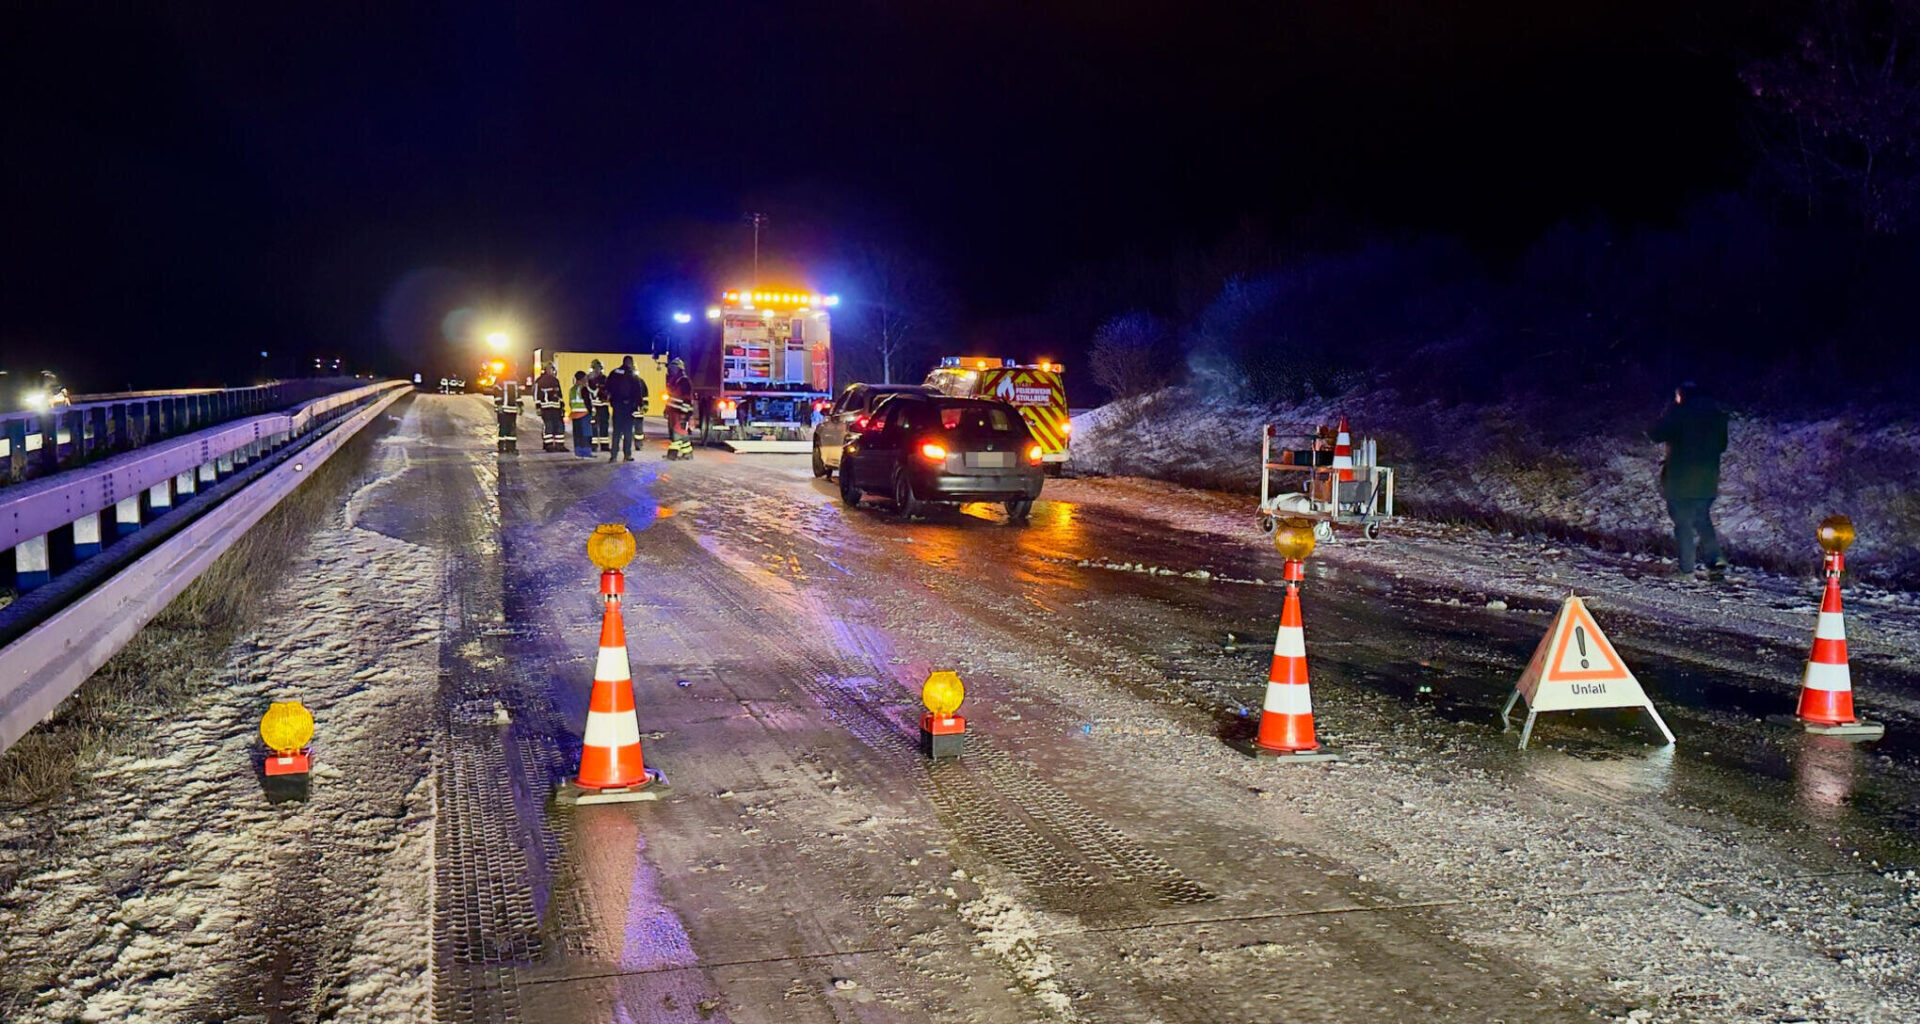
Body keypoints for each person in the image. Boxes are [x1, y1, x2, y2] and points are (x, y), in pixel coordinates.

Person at [1650, 381, 1730, 580]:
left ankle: (1686, 569)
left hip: (1680, 480)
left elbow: (1656, 434)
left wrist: (1670, 411)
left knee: (1683, 524)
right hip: (1707, 480)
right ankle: (1714, 559)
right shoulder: (1717, 416)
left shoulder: (1679, 413)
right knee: (1702, 519)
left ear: (1683, 395)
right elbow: (1722, 446)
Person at [603, 355, 647, 462]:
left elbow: (607, 388)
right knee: (628, 432)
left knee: (617, 432)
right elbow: (638, 392)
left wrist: (610, 400)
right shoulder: (633, 376)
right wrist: (640, 405)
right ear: (630, 363)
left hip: (617, 406)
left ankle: (614, 456)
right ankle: (627, 455)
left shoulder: (614, 373)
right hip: (629, 407)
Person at [664, 357, 695, 460]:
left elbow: (687, 399)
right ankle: (688, 453)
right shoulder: (675, 380)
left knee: (677, 434)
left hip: (680, 413)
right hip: (674, 412)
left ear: (679, 369)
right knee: (681, 433)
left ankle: (672, 455)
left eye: (673, 368)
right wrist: (667, 410)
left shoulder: (683, 381)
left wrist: (684, 415)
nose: (670, 370)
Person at [533, 362, 564, 452]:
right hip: (546, 407)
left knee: (559, 425)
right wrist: (538, 406)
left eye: (552, 369)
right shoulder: (540, 381)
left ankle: (559, 445)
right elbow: (536, 395)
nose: (552, 371)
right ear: (546, 369)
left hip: (556, 408)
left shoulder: (555, 380)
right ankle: (548, 445)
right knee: (548, 425)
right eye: (550, 369)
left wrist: (562, 405)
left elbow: (559, 394)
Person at [586, 359, 611, 453]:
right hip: (593, 407)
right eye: (595, 368)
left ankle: (604, 445)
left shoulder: (605, 379)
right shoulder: (588, 379)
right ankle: (593, 445)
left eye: (599, 368)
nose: (597, 370)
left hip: (603, 406)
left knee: (604, 425)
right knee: (593, 426)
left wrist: (607, 396)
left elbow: (610, 390)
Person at [568, 370, 594, 457]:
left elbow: (570, 403)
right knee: (586, 434)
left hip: (575, 414)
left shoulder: (572, 389)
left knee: (577, 434)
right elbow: (587, 402)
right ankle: (586, 453)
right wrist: (591, 413)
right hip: (584, 414)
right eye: (585, 378)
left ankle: (578, 452)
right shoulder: (583, 389)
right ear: (582, 379)